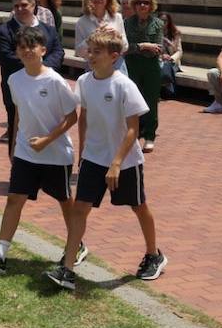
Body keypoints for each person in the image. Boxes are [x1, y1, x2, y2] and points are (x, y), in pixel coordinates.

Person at [52, 28, 166, 290]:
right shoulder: (84, 81)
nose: (91, 56)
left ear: (114, 56)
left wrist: (116, 163)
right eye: (90, 51)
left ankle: (153, 254)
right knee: (80, 208)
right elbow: (85, 119)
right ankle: (67, 268)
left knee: (139, 207)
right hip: (93, 158)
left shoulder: (124, 85)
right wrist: (83, 154)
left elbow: (132, 129)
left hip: (125, 161)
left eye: (97, 52)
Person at [0, 25, 81, 280]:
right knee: (14, 199)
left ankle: (76, 244)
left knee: (65, 201)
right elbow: (20, 114)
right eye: (22, 47)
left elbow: (72, 117)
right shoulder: (15, 79)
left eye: (32, 47)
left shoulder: (55, 80)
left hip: (55, 153)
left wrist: (46, 140)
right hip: (26, 152)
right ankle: (0, 254)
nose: (27, 51)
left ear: (43, 50)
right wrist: (14, 147)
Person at [0, 0, 65, 155]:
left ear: (34, 6)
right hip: (19, 88)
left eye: (24, 5)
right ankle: (17, 164)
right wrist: (36, 67)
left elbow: (58, 52)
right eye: (16, 6)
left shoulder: (49, 30)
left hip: (47, 87)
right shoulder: (3, 31)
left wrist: (43, 70)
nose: (19, 9)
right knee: (17, 125)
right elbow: (8, 58)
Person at [123, 0, 164, 153]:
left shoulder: (158, 24)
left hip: (151, 66)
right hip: (132, 65)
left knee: (151, 100)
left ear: (151, 5)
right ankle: (135, 133)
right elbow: (126, 48)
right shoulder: (127, 23)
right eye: (139, 3)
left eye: (146, 3)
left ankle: (150, 136)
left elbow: (158, 48)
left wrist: (138, 47)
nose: (142, 6)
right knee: (133, 100)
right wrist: (145, 46)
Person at [74, 0, 127, 73]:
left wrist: (118, 36)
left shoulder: (117, 17)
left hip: (116, 66)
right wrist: (92, 38)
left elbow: (125, 47)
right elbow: (79, 52)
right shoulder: (82, 21)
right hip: (94, 66)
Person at [159, 12, 184, 99]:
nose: (163, 23)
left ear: (169, 22)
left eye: (165, 21)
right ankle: (168, 91)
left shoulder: (175, 33)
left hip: (173, 61)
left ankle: (168, 91)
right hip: (160, 59)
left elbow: (179, 51)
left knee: (166, 66)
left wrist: (171, 58)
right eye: (161, 20)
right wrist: (161, 56)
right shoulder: (154, 33)